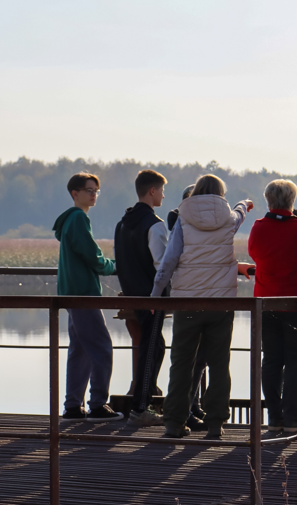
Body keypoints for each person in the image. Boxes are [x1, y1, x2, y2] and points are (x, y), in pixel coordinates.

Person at [151, 174, 253, 439]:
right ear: (221, 194)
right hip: (221, 303)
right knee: (220, 363)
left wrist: (155, 294)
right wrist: (244, 203)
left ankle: (174, 422)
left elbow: (169, 261)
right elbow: (240, 213)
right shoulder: (229, 219)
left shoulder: (183, 220)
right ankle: (216, 423)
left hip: (188, 302)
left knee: (181, 362)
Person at [247, 179, 297, 434]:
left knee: (271, 360)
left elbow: (254, 254)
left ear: (268, 200)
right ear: (292, 201)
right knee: (296, 362)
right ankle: (292, 419)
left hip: (266, 302)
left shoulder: (258, 227)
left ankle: (274, 418)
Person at [52, 172, 122, 423]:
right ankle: (98, 404)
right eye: (89, 190)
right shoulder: (79, 219)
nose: (94, 195)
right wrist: (117, 266)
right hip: (83, 294)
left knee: (80, 350)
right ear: (75, 193)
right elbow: (92, 256)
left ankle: (72, 406)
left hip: (72, 293)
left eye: (96, 191)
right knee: (102, 348)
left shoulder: (70, 220)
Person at [114, 169, 170, 427]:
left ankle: (143, 400)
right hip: (153, 297)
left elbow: (123, 261)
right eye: (161, 190)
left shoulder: (122, 223)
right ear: (152, 191)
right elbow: (162, 265)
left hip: (133, 295)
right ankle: (140, 409)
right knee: (151, 349)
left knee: (154, 345)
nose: (163, 195)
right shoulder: (155, 225)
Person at [167, 184, 210, 431]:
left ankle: (191, 407)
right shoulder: (181, 221)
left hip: (189, 295)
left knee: (195, 359)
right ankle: (185, 411)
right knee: (191, 359)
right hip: (196, 296)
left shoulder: (181, 221)